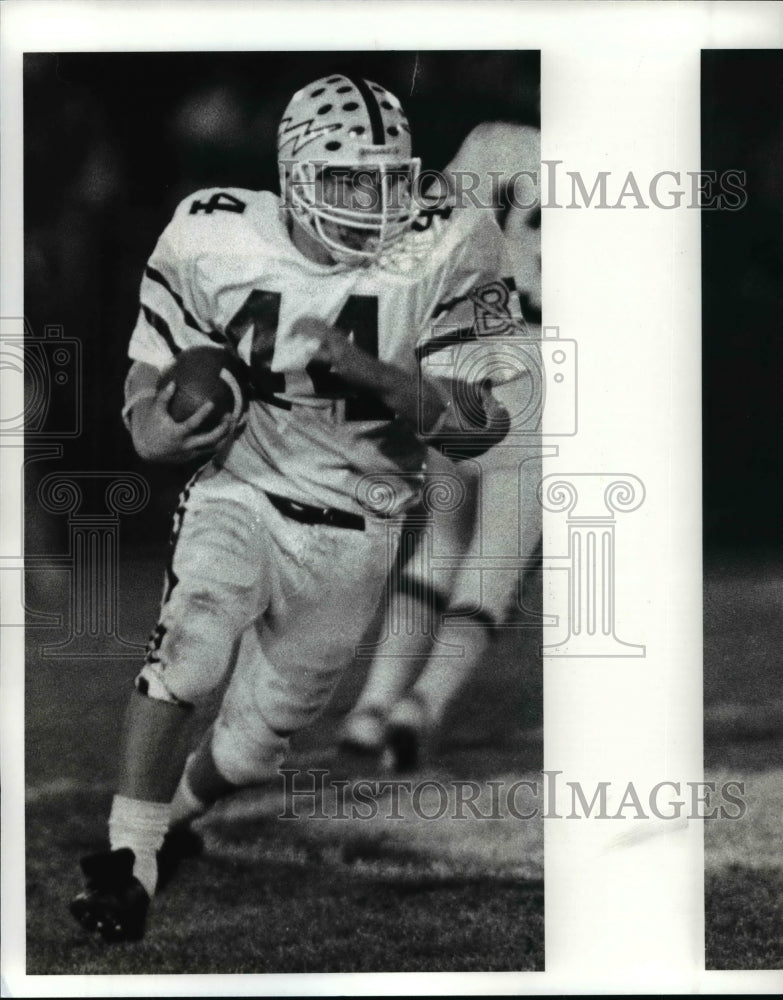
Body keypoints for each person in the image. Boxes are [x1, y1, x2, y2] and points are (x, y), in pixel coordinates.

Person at [68, 74, 532, 943]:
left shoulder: (449, 243)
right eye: (350, 182)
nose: (376, 205)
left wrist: (375, 375)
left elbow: (477, 429)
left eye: (392, 182)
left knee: (254, 743)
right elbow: (148, 393)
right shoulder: (211, 232)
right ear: (294, 173)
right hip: (244, 485)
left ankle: (167, 826)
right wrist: (158, 431)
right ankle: (127, 864)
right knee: (192, 643)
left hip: (362, 519)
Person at [338, 122, 542, 770]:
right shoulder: (634, 168)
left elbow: (425, 234)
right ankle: (420, 704)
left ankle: (370, 708)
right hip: (547, 372)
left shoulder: (493, 143)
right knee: (493, 565)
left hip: (464, 357)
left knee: (439, 542)